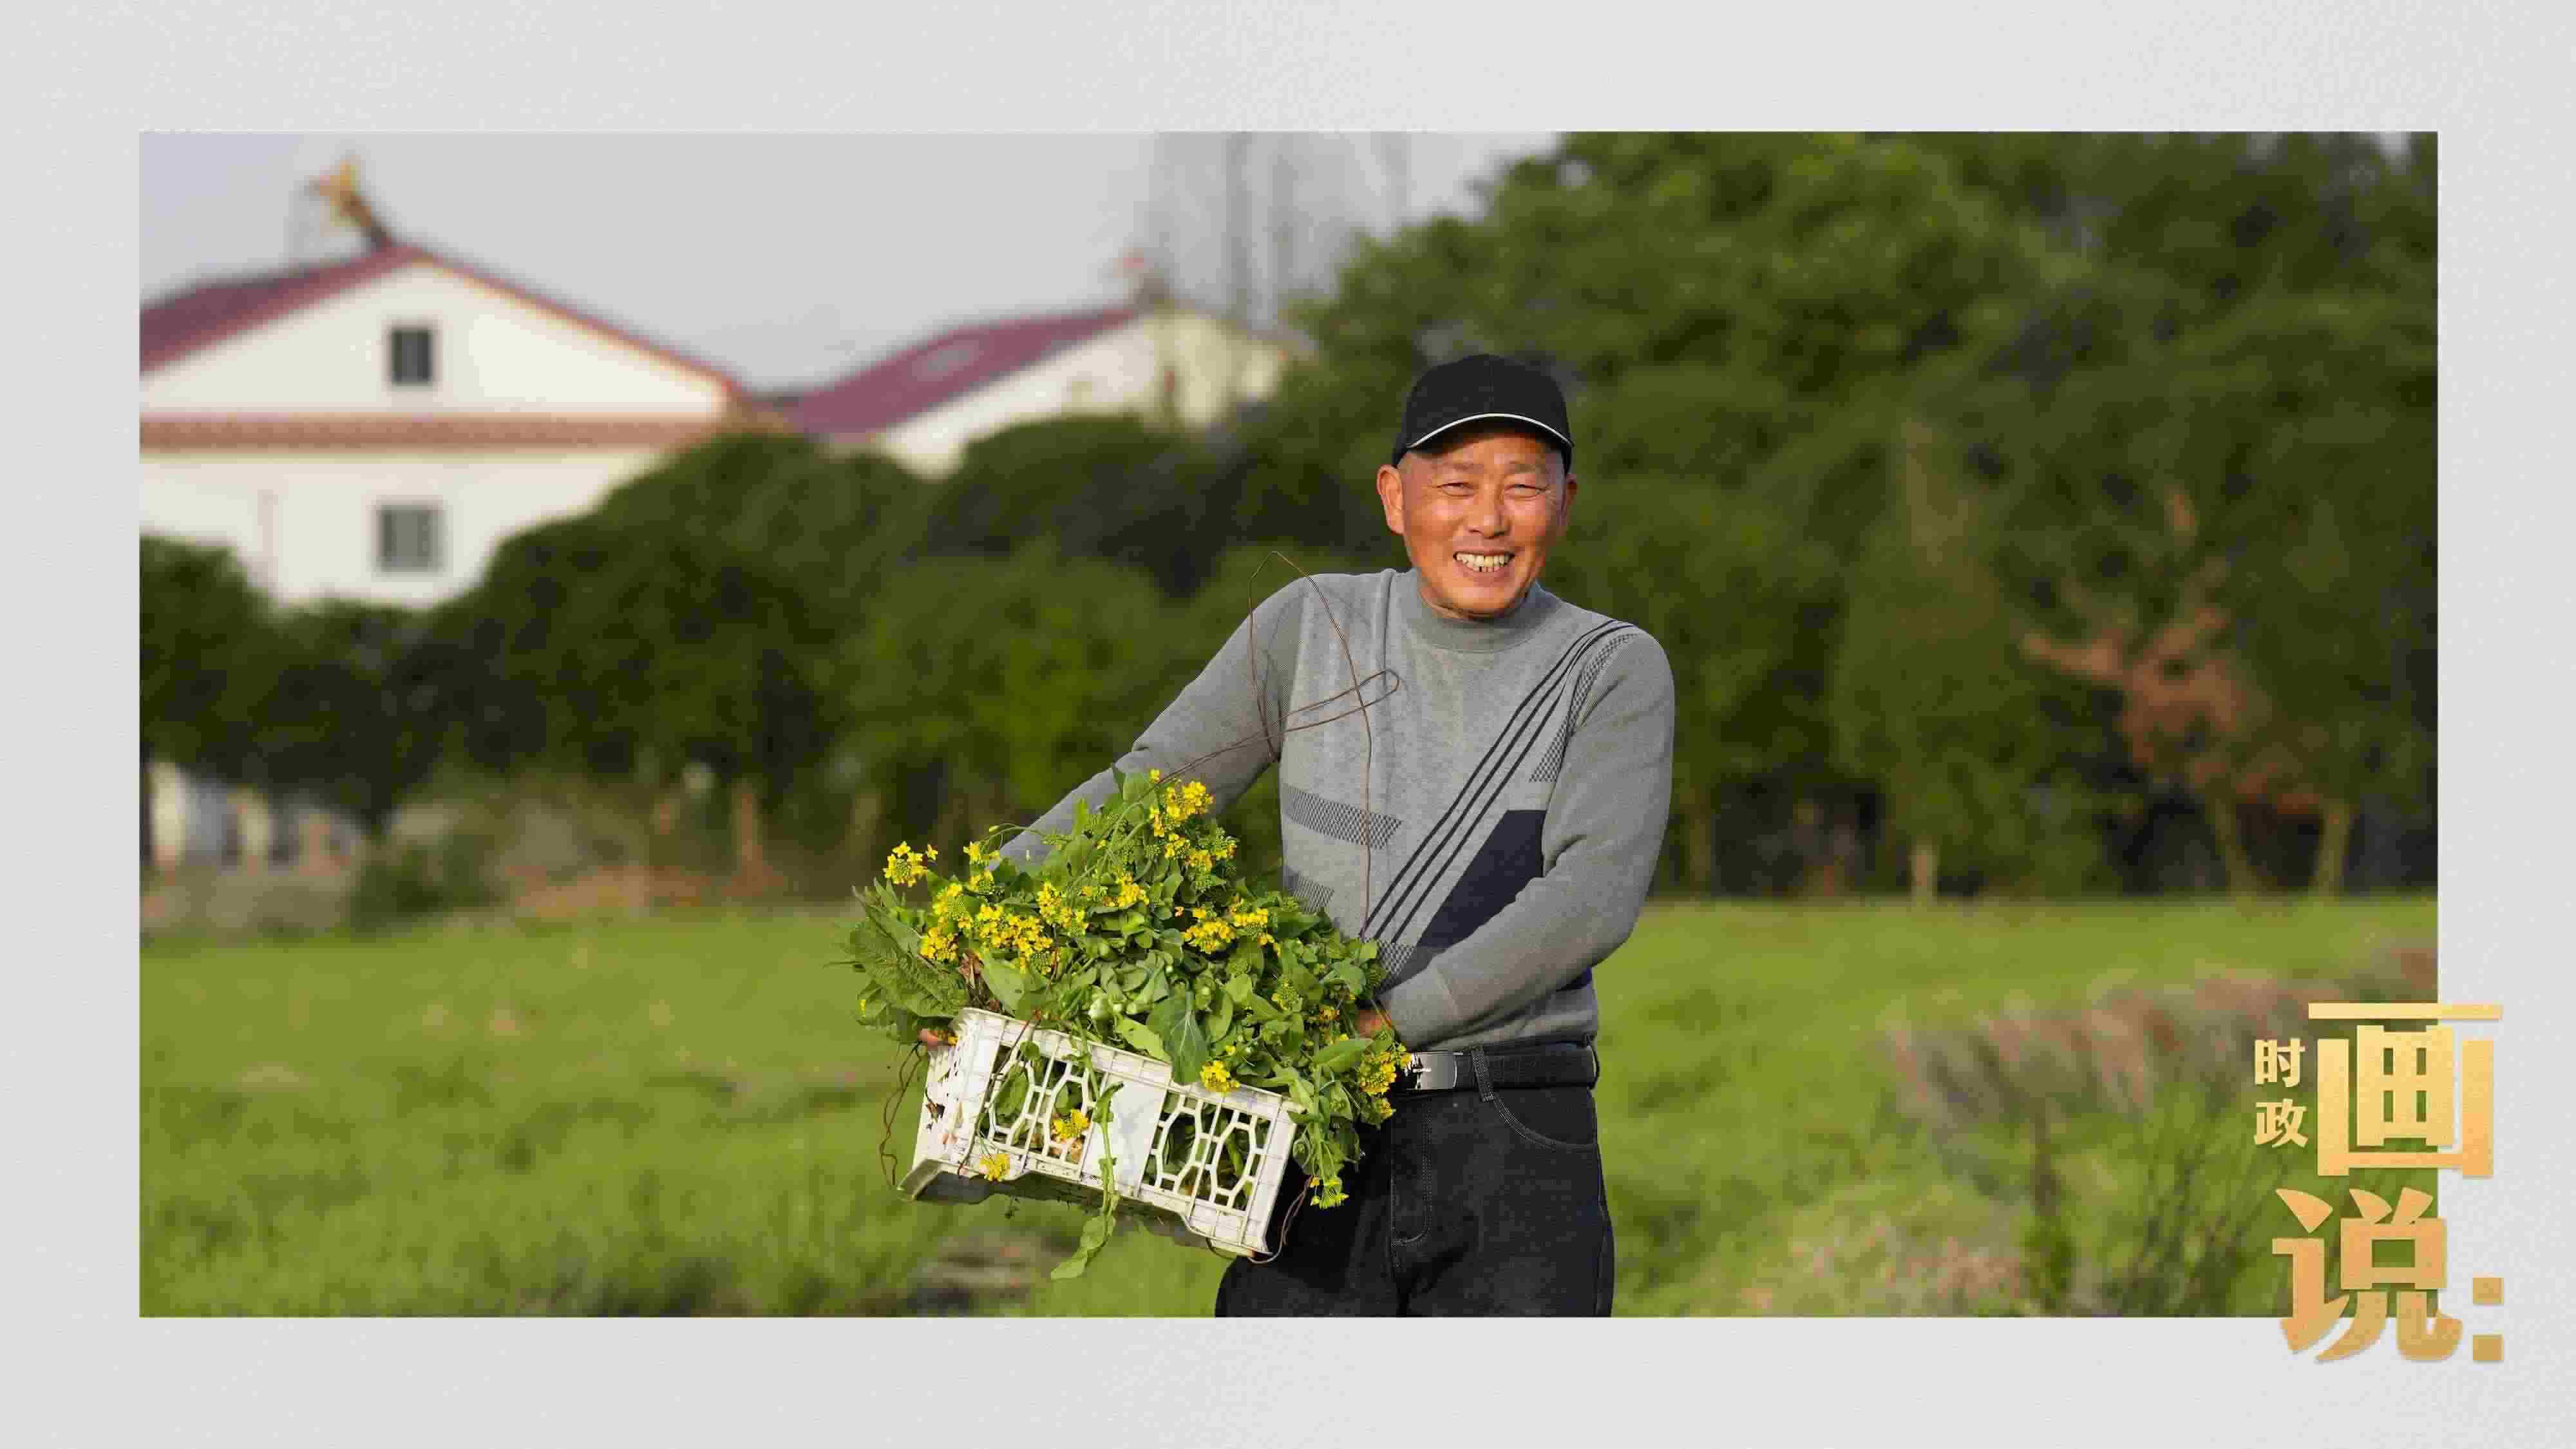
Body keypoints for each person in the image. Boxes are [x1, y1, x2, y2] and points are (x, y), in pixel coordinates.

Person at [994, 353, 1675, 1315]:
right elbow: (1153, 788)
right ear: (1395, 498)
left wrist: (1381, 1028)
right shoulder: (1312, 626)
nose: (1488, 519)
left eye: (1522, 487)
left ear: (1564, 503)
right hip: (1313, 1136)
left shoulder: (1610, 667)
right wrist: (984, 913)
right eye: (1456, 486)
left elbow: (1589, 900)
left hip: (1516, 1137)